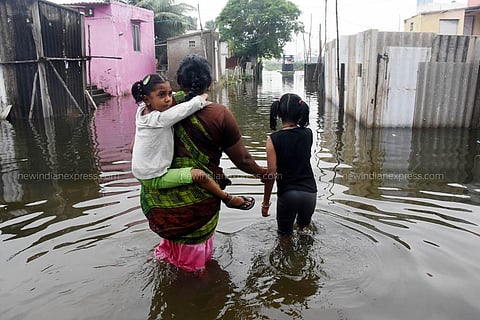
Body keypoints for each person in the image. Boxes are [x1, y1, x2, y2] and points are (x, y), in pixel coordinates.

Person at [139, 55, 266, 272]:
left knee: (168, 255)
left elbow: (136, 149)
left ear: (178, 81)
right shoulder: (219, 114)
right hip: (195, 210)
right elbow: (243, 160)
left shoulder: (157, 108)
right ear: (209, 83)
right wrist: (265, 173)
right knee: (194, 272)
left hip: (158, 206)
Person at [131, 73, 255, 210]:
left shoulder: (141, 111)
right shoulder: (159, 119)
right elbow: (186, 109)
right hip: (154, 177)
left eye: (170, 94)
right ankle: (228, 199)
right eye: (162, 95)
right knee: (200, 175)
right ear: (147, 99)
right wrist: (202, 98)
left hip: (139, 172)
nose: (168, 99)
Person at [261, 93, 317, 236]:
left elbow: (271, 174)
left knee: (284, 238)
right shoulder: (308, 134)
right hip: (309, 193)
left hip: (288, 195)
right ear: (300, 111)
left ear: (278, 113)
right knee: (304, 233)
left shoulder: (272, 139)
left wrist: (266, 203)